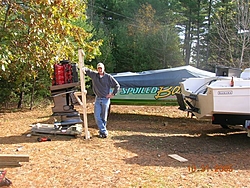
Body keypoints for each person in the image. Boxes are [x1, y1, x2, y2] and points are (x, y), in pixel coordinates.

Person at [82, 62, 120, 138]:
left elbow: (117, 85)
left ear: (104, 69)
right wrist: (83, 69)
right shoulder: (94, 75)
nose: (100, 69)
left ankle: (102, 132)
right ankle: (104, 131)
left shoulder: (108, 77)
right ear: (97, 69)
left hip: (106, 99)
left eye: (101, 68)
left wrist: (112, 94)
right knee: (97, 116)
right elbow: (86, 70)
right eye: (98, 68)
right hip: (98, 98)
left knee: (104, 117)